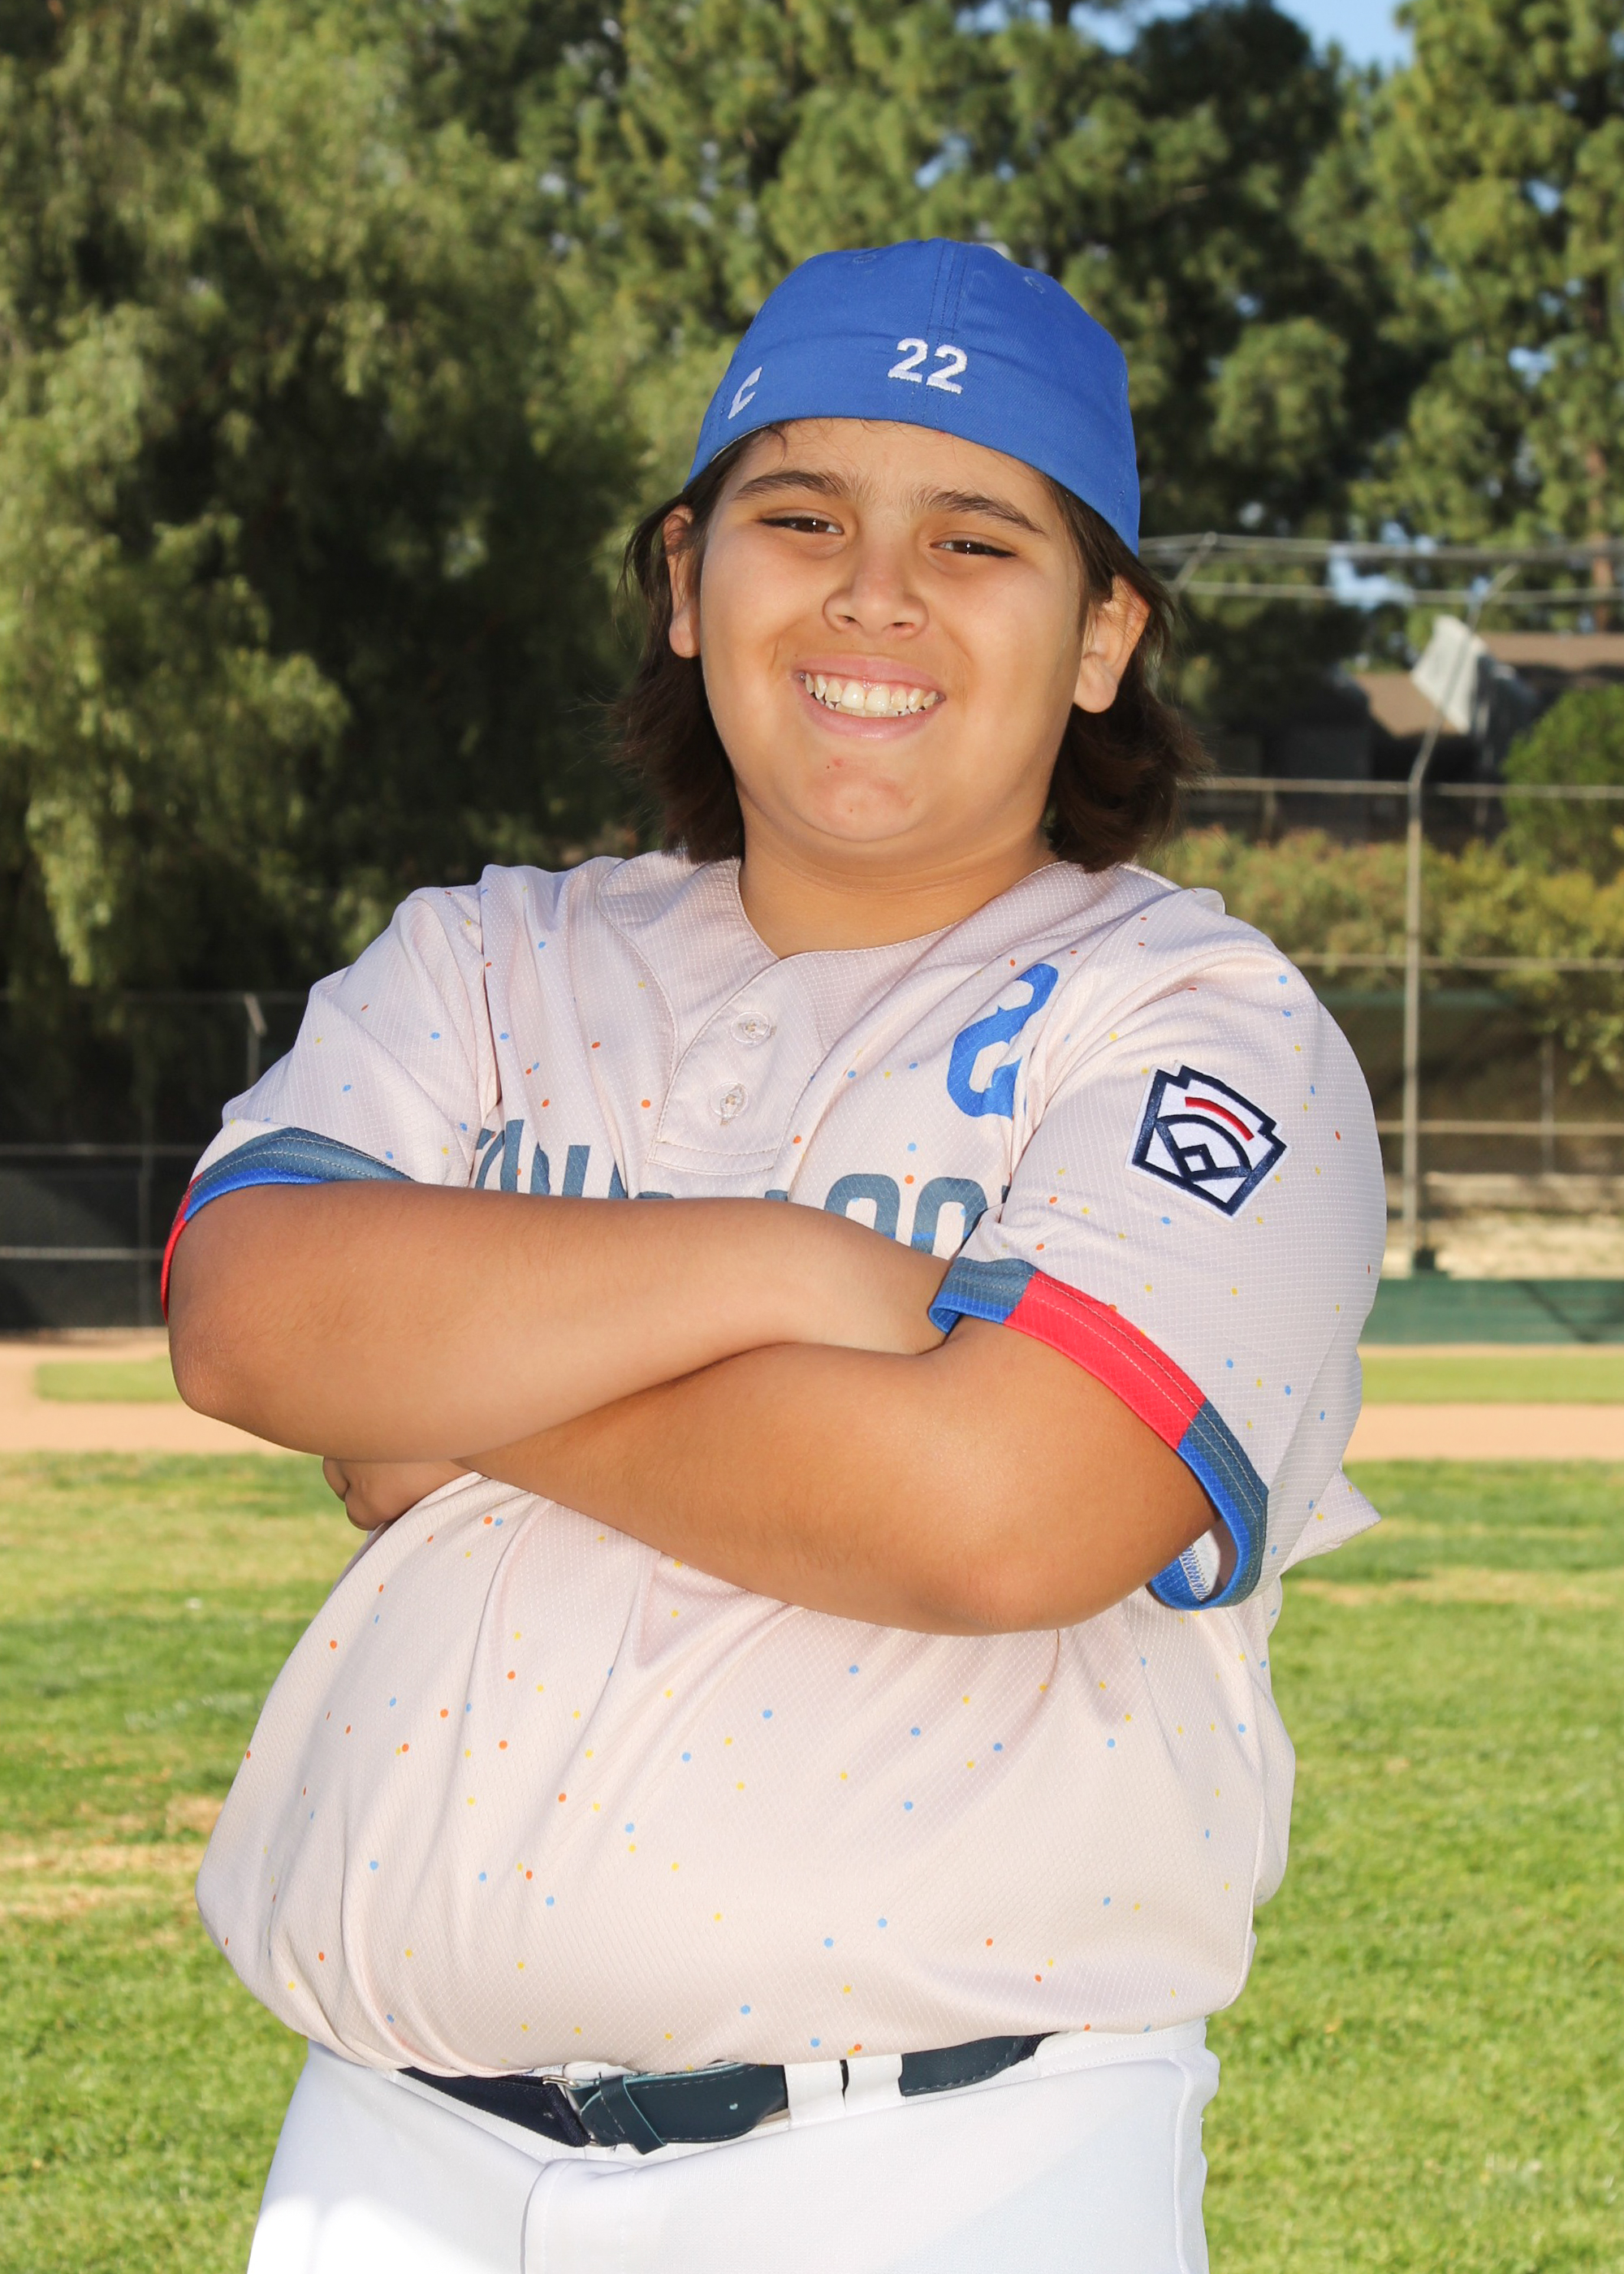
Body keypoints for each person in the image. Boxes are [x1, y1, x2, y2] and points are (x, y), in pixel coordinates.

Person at [166, 238, 1385, 2274]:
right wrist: (781, 1264)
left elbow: (1000, 1508)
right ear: (685, 575)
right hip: (388, 2160)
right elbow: (246, 1317)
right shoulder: (488, 956)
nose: (873, 592)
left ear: (1103, 632)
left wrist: (453, 1392)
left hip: (948, 2165)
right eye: (800, 516)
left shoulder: (1196, 1021)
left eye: (975, 538)